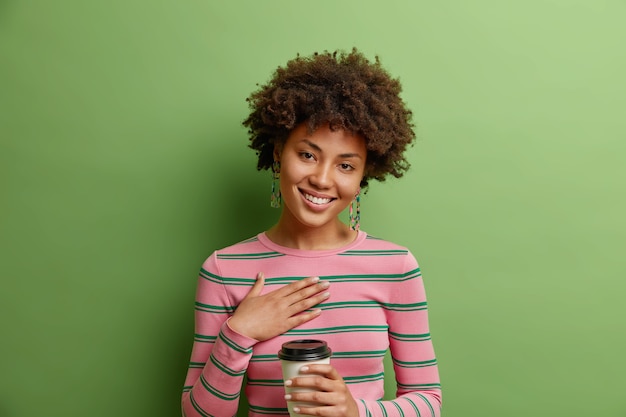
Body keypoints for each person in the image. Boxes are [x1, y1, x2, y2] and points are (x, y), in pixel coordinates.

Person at [181, 48, 441, 417]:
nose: (321, 179)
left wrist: (356, 411)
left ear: (363, 175)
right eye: (307, 155)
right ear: (277, 151)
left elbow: (428, 400)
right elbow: (199, 414)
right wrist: (239, 332)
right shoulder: (225, 269)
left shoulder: (395, 266)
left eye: (346, 165)